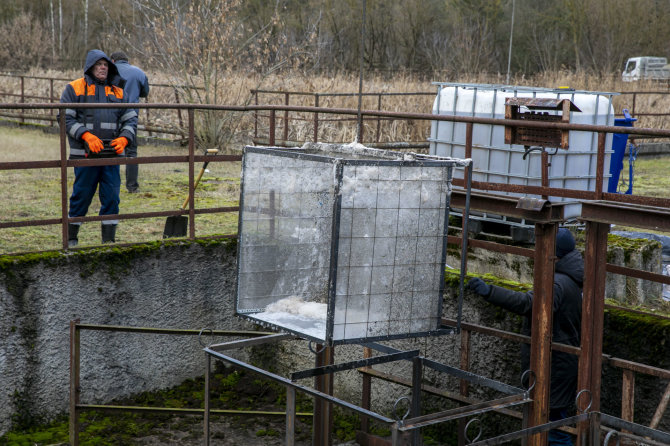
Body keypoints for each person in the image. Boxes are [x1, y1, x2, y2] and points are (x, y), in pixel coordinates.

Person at [467, 228, 583, 446]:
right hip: (560, 362)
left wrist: (489, 291)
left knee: (553, 428)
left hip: (554, 365)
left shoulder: (557, 282)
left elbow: (529, 304)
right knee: (552, 423)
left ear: (553, 252)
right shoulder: (569, 278)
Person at [61, 49, 138, 246]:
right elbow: (64, 117)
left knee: (112, 197)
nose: (103, 68)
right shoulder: (74, 88)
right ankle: (71, 238)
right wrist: (85, 135)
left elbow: (131, 119)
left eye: (106, 65)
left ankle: (108, 242)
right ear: (90, 67)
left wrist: (124, 139)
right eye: (98, 64)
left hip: (112, 156)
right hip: (85, 157)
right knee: (81, 195)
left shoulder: (120, 92)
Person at [110, 51, 150, 193]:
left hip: (110, 116)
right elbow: (145, 92)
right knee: (131, 152)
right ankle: (132, 186)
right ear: (127, 60)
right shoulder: (138, 72)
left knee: (108, 150)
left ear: (113, 60)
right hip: (131, 117)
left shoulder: (108, 70)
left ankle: (108, 184)